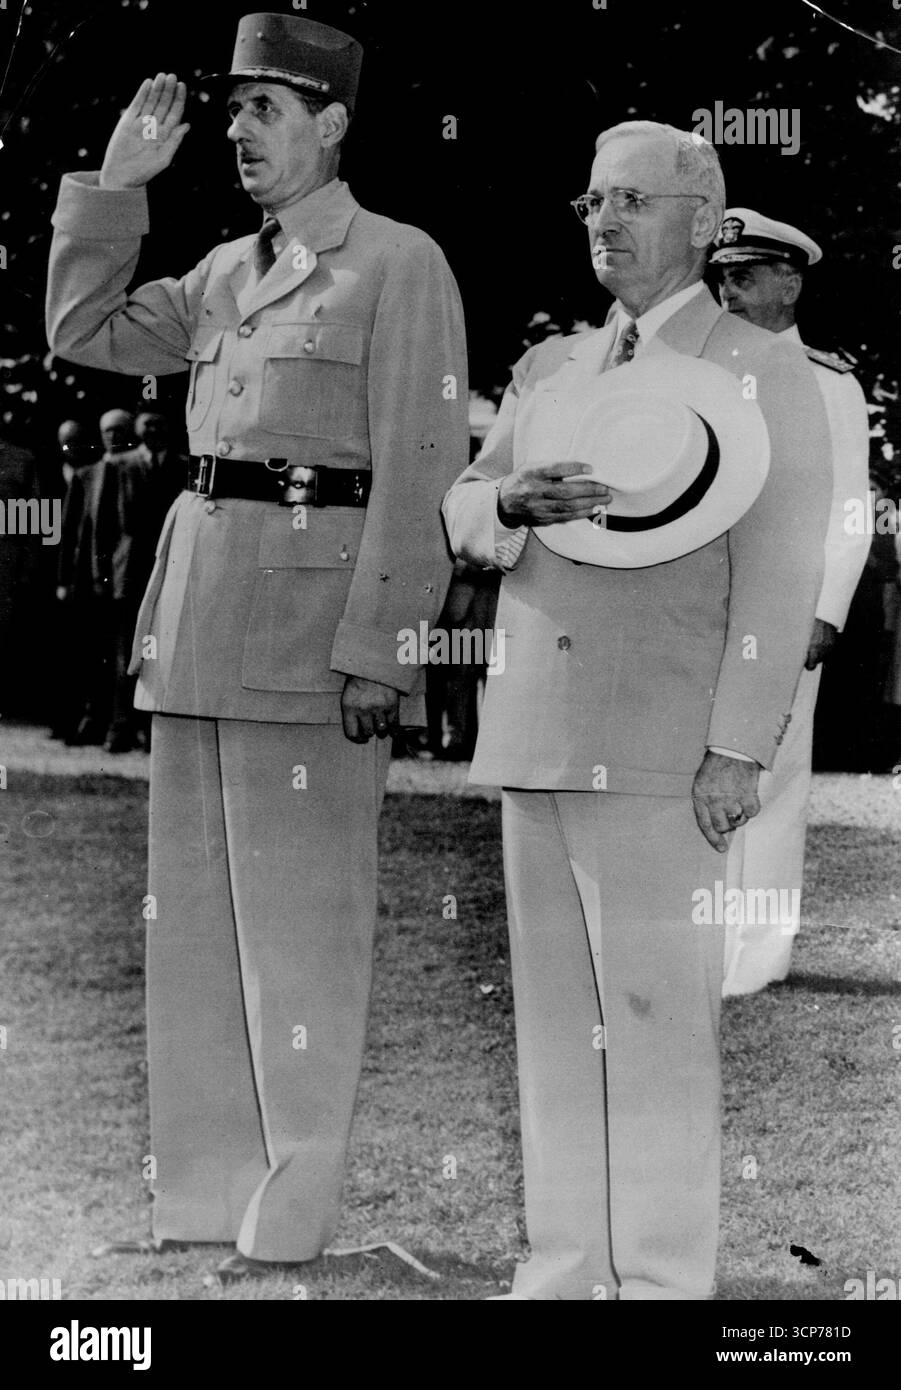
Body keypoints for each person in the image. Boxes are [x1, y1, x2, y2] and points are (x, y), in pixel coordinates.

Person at [46, 13, 468, 1280]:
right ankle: (204, 1203)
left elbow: (420, 466)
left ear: (332, 125)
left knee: (300, 936)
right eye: (231, 111)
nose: (237, 132)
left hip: (309, 644)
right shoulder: (229, 270)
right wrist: (114, 192)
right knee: (198, 933)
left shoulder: (397, 264)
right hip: (200, 630)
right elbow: (83, 332)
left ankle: (290, 1216)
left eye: (265, 109)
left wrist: (382, 649)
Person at [443, 120, 831, 1300]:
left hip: (665, 752)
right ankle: (563, 1272)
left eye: (632, 202)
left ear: (705, 226)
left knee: (657, 1032)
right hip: (537, 735)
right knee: (557, 1036)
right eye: (592, 201)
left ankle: (663, 1285)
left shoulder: (762, 370)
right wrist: (502, 497)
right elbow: (461, 508)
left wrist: (734, 746)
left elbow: (779, 574)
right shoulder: (552, 366)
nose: (603, 222)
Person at [711, 209, 871, 994]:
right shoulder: (697, 365)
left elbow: (849, 504)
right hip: (699, 602)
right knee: (690, 770)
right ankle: (701, 950)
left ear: (789, 281)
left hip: (782, 608)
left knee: (770, 778)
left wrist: (826, 608)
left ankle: (760, 953)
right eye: (720, 277)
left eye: (742, 276)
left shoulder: (824, 380)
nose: (726, 292)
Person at [105, 411, 183, 752]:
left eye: (159, 422)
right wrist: (103, 572)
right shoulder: (120, 465)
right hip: (129, 572)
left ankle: (153, 734)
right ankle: (119, 728)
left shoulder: (185, 467)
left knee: (164, 652)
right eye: (147, 423)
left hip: (169, 570)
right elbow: (104, 525)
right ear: (137, 429)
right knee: (124, 654)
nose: (153, 429)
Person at [56, 409, 134, 744]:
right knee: (90, 654)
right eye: (107, 432)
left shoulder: (141, 472)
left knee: (123, 656)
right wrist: (65, 579)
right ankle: (90, 721)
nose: (113, 438)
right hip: (90, 579)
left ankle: (121, 726)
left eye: (120, 431)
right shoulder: (86, 476)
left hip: (128, 578)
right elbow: (71, 534)